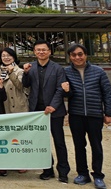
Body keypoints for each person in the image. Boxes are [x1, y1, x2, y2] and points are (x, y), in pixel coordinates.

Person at [64, 44, 111, 189]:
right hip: (76, 114)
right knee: (79, 146)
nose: (77, 57)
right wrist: (66, 91)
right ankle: (83, 173)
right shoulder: (66, 72)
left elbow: (107, 93)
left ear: (85, 55)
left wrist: (108, 113)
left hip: (95, 115)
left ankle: (98, 175)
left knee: (96, 146)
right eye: (73, 55)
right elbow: (66, 94)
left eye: (80, 54)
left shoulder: (98, 71)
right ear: (70, 57)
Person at [22, 39, 70, 183]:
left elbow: (61, 89)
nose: (41, 52)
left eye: (44, 49)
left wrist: (53, 106)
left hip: (55, 111)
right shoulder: (31, 67)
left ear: (49, 51)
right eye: (38, 50)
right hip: (37, 112)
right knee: (41, 143)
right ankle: (47, 169)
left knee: (59, 141)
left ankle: (63, 172)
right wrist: (25, 73)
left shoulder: (58, 68)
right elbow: (26, 85)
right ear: (34, 52)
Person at [0, 47, 29, 114]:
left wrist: (11, 73)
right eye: (3, 56)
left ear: (14, 57)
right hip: (4, 106)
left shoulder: (20, 71)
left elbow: (20, 86)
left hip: (18, 106)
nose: (6, 58)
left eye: (9, 55)